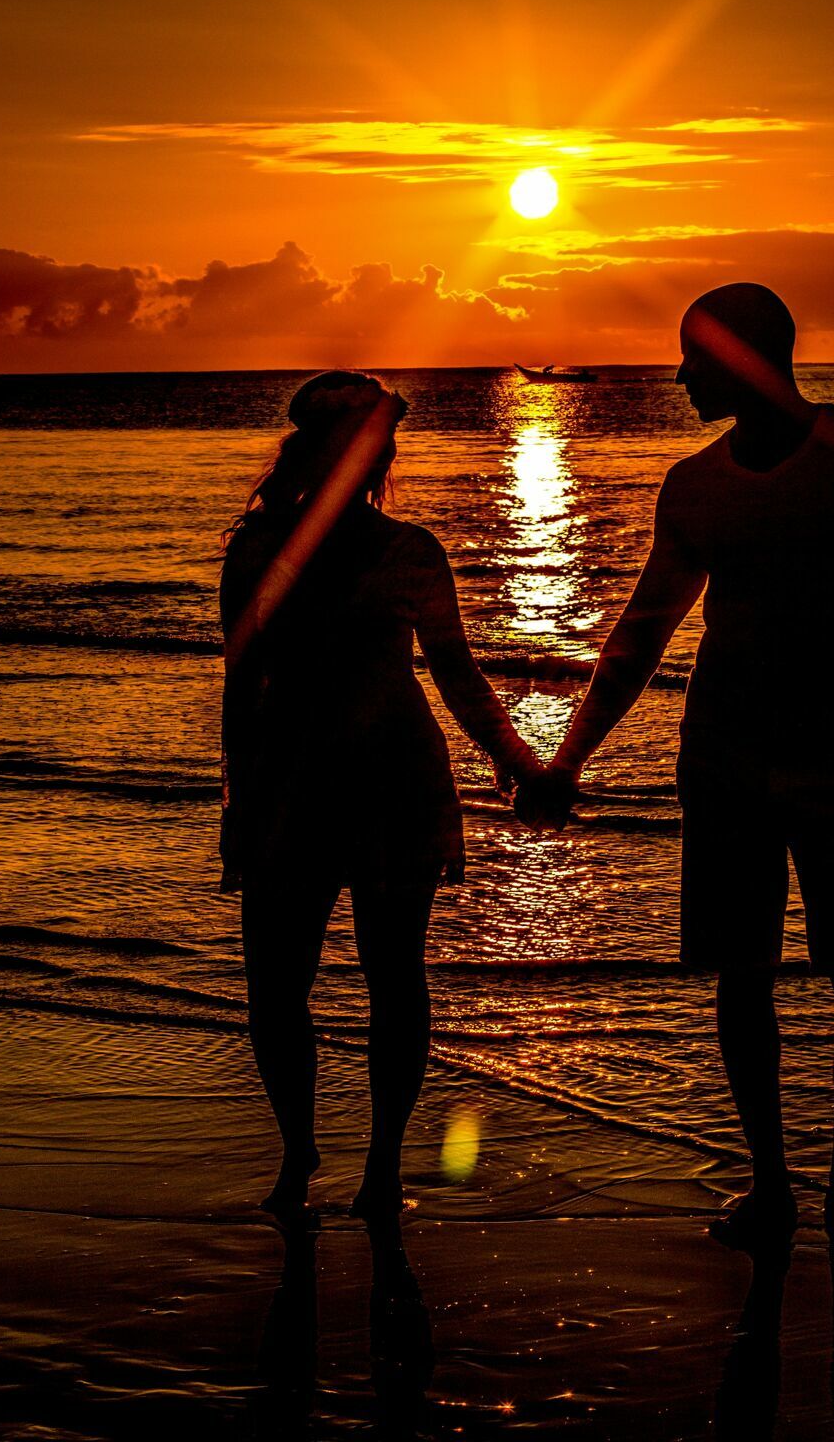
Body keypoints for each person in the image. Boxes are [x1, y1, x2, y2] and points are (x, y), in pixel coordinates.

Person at [516, 284, 834, 1248]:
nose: (678, 375)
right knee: (740, 974)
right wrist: (564, 761)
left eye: (693, 355)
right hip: (719, 762)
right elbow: (640, 634)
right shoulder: (693, 485)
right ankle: (771, 1185)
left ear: (749, 356)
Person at [220, 371, 541, 1222]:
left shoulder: (405, 549)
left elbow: (455, 673)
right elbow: (242, 680)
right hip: (309, 784)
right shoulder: (259, 548)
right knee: (285, 988)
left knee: (377, 979)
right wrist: (237, 800)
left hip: (385, 782)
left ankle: (378, 1168)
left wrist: (515, 760)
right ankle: (305, 1157)